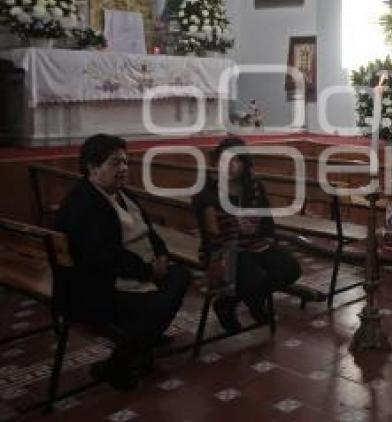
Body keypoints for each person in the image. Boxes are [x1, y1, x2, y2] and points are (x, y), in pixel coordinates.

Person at [54, 134, 190, 391]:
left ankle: (142, 341)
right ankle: (119, 362)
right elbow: (103, 257)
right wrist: (149, 271)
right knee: (159, 304)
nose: (124, 169)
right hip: (96, 288)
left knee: (180, 276)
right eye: (116, 163)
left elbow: (147, 228)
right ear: (92, 168)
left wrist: (161, 253)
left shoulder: (120, 194)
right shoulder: (84, 205)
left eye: (126, 163)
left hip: (129, 276)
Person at [192, 136, 301, 333]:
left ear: (245, 163)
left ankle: (253, 299)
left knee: (290, 269)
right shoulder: (207, 192)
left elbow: (268, 225)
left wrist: (255, 230)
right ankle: (228, 305)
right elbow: (211, 235)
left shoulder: (255, 187)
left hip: (256, 243)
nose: (231, 166)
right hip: (224, 248)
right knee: (254, 278)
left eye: (237, 160)